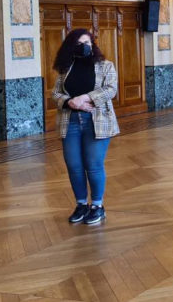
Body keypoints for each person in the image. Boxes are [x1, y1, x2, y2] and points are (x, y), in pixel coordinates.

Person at [52, 28, 120, 225]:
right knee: (74, 166)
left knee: (93, 165)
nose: (86, 47)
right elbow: (55, 93)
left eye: (89, 43)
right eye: (81, 43)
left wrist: (86, 98)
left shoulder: (106, 65)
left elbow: (110, 89)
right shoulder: (66, 67)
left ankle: (97, 206)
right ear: (72, 45)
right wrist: (70, 102)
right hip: (70, 121)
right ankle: (81, 204)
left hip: (96, 122)